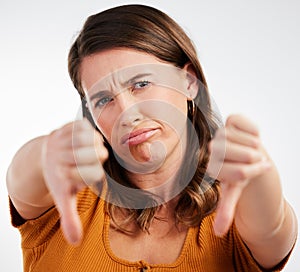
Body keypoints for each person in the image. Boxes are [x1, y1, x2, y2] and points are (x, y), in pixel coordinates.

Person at [6, 4, 297, 272]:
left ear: (189, 82)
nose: (126, 114)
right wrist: (45, 154)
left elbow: (273, 227)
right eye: (103, 99)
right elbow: (22, 177)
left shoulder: (237, 210)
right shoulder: (67, 197)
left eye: (141, 84)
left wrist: (259, 173)